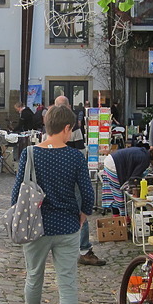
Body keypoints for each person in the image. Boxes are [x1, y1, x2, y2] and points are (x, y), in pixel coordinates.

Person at [13, 105, 93, 304]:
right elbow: (88, 195)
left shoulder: (30, 154)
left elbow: (17, 194)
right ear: (67, 128)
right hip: (68, 227)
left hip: (37, 227)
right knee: (67, 283)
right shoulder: (75, 157)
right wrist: (81, 216)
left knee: (34, 275)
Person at [53, 95, 105, 265]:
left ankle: (63, 247)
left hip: (56, 175)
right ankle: (83, 249)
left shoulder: (50, 127)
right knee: (81, 209)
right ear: (68, 107)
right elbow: (81, 153)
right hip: (72, 175)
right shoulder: (72, 128)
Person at [101, 146, 153, 217]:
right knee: (119, 194)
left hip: (111, 160)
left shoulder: (143, 153)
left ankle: (117, 219)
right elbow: (134, 178)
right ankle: (123, 219)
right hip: (114, 165)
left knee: (113, 193)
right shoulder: (145, 160)